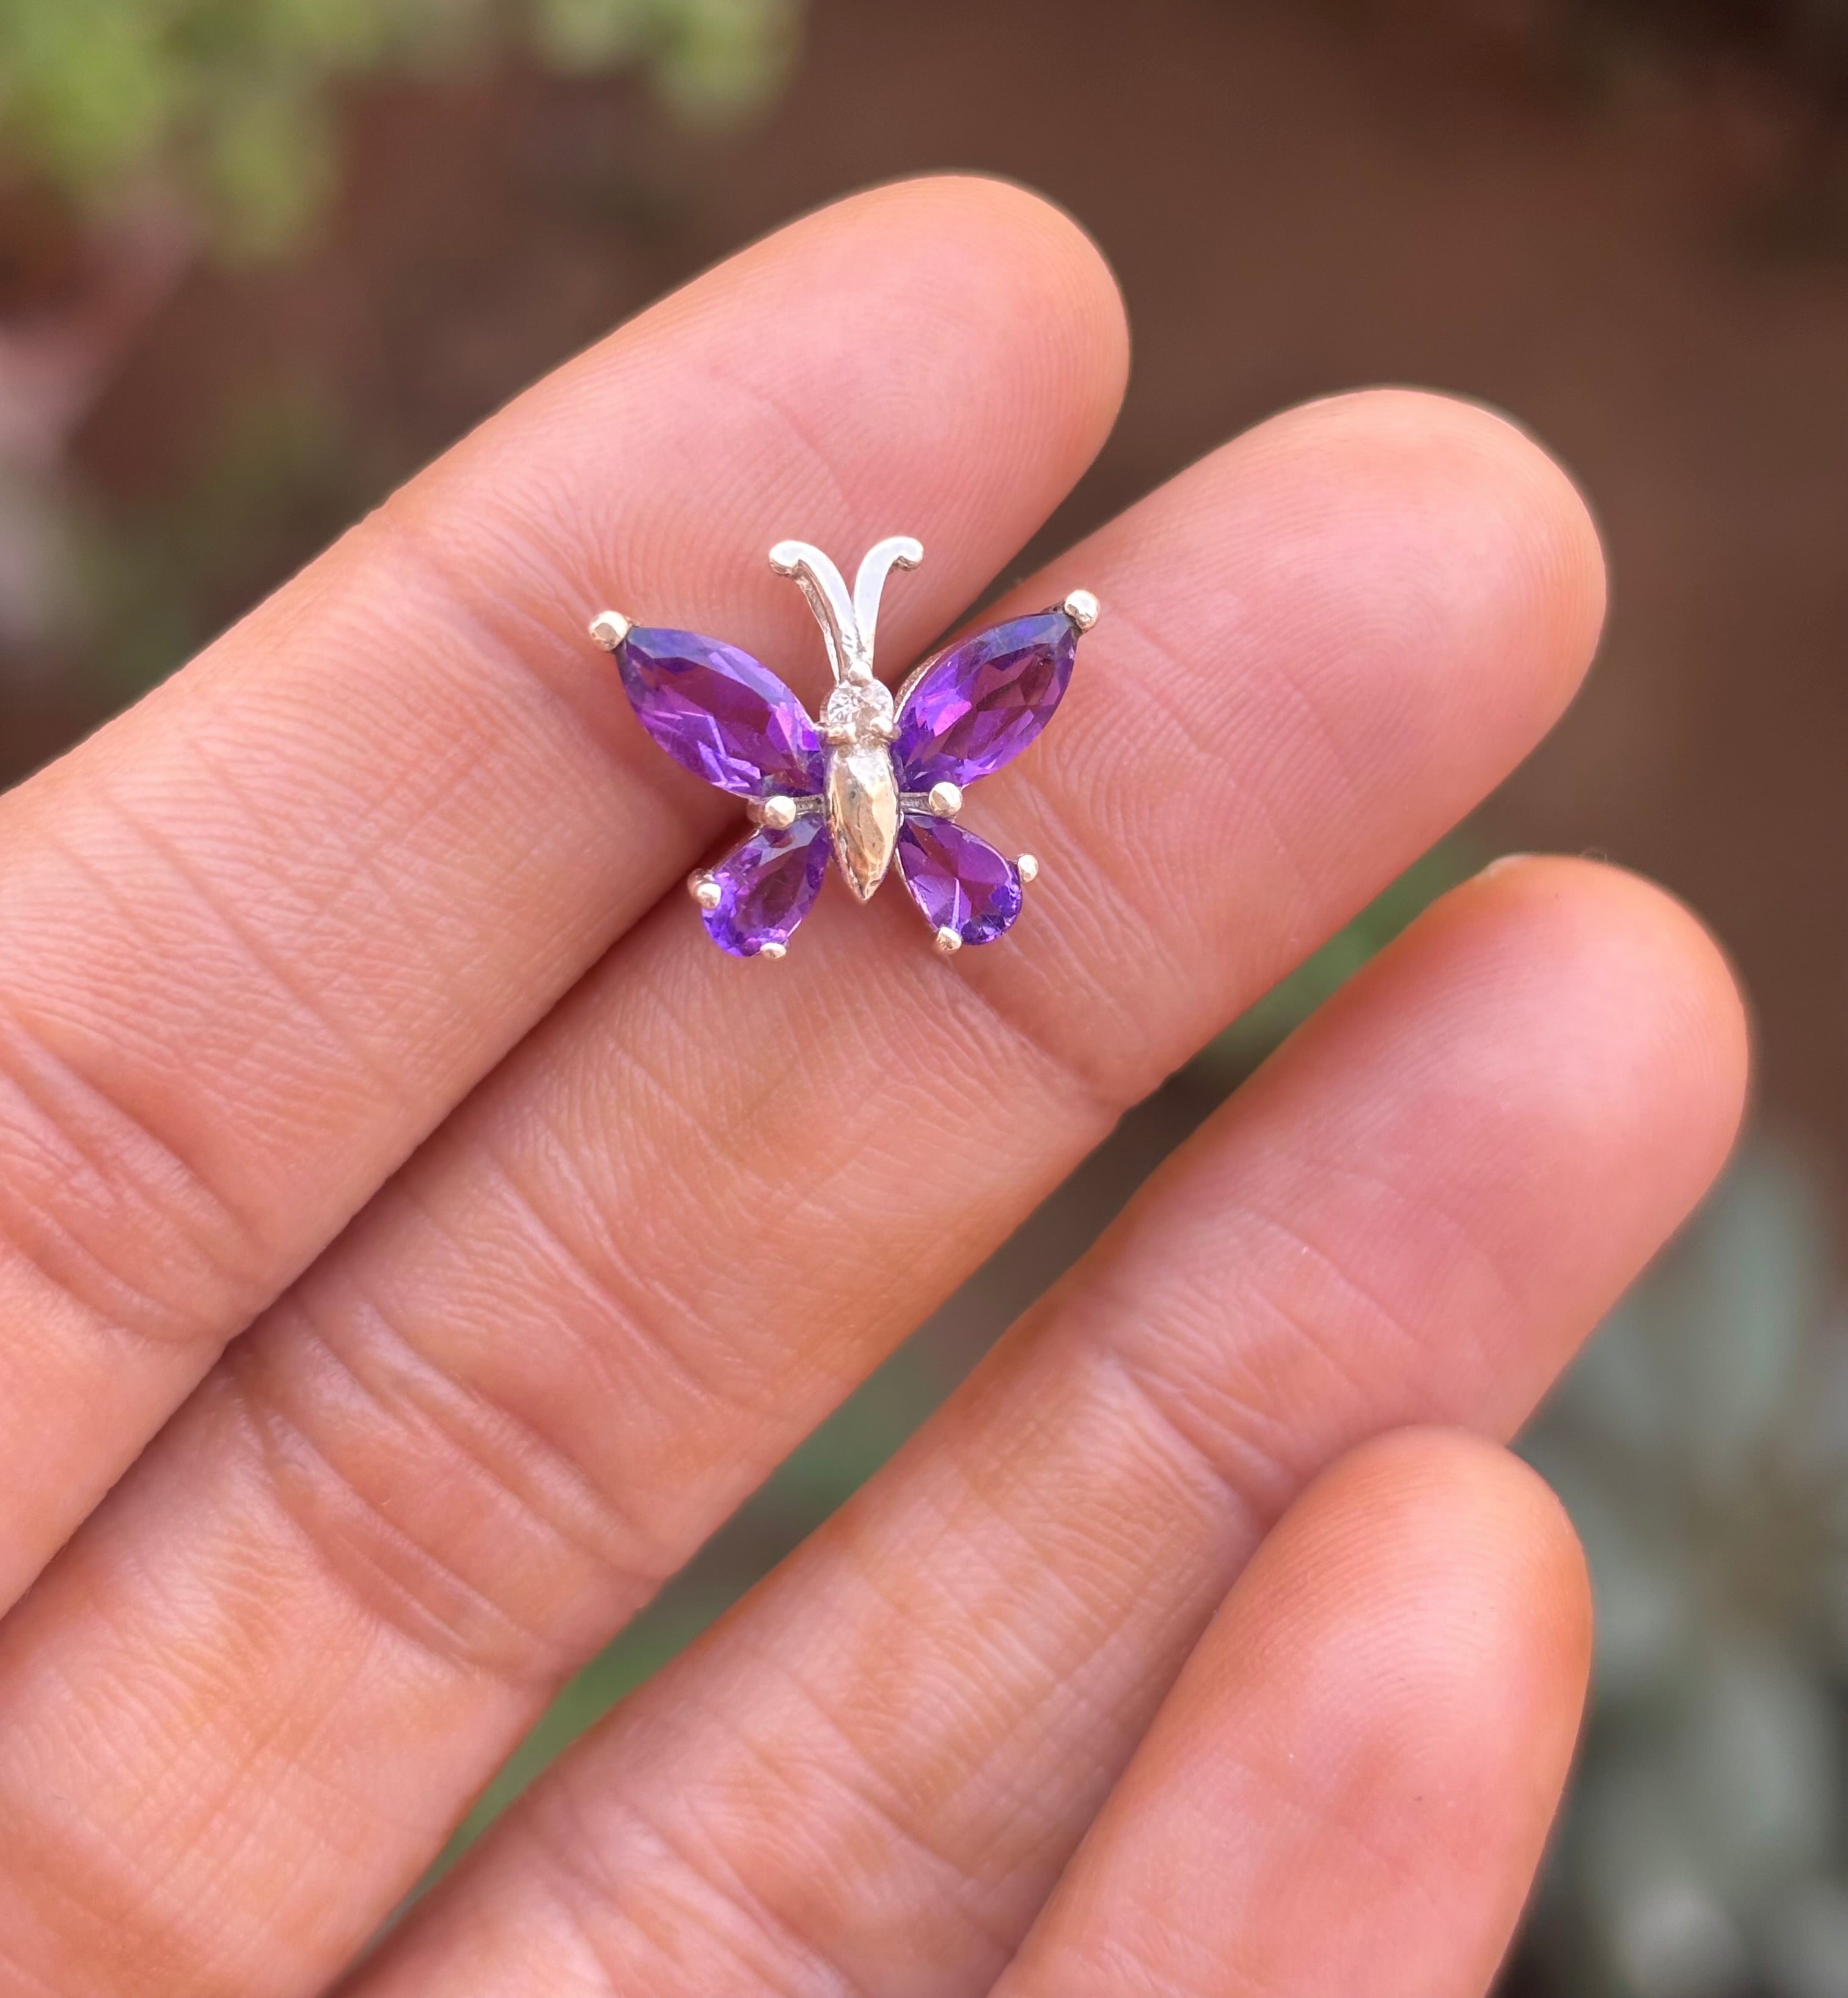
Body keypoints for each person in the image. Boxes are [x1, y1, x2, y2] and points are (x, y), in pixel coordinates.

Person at [0, 179, 1746, 1996]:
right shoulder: (772, 730)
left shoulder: (917, 734)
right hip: (850, 875)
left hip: (888, 872)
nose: (839, 742)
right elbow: (670, 674)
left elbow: (948, 669)